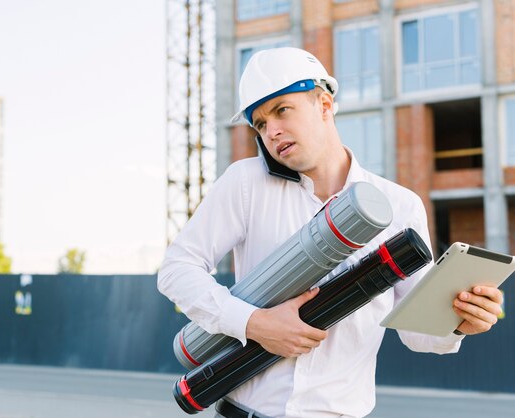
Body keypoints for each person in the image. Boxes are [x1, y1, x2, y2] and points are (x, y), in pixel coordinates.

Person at [157, 47, 503, 418]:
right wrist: (255, 324)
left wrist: (459, 322)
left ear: (323, 104)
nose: (271, 130)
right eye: (259, 123)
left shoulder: (399, 205)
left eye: (281, 110)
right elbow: (177, 268)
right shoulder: (246, 183)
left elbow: (418, 334)